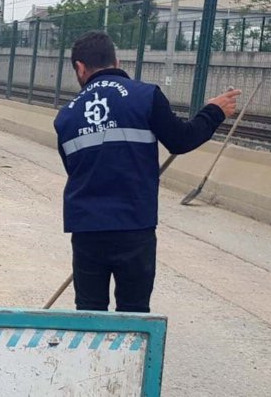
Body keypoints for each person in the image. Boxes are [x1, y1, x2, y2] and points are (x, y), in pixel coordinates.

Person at [53, 31, 241, 313]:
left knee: (89, 312)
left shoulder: (66, 116)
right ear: (116, 61)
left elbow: (75, 169)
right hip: (134, 225)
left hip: (87, 228)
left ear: (79, 67)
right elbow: (181, 140)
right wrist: (213, 112)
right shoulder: (146, 96)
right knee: (134, 310)